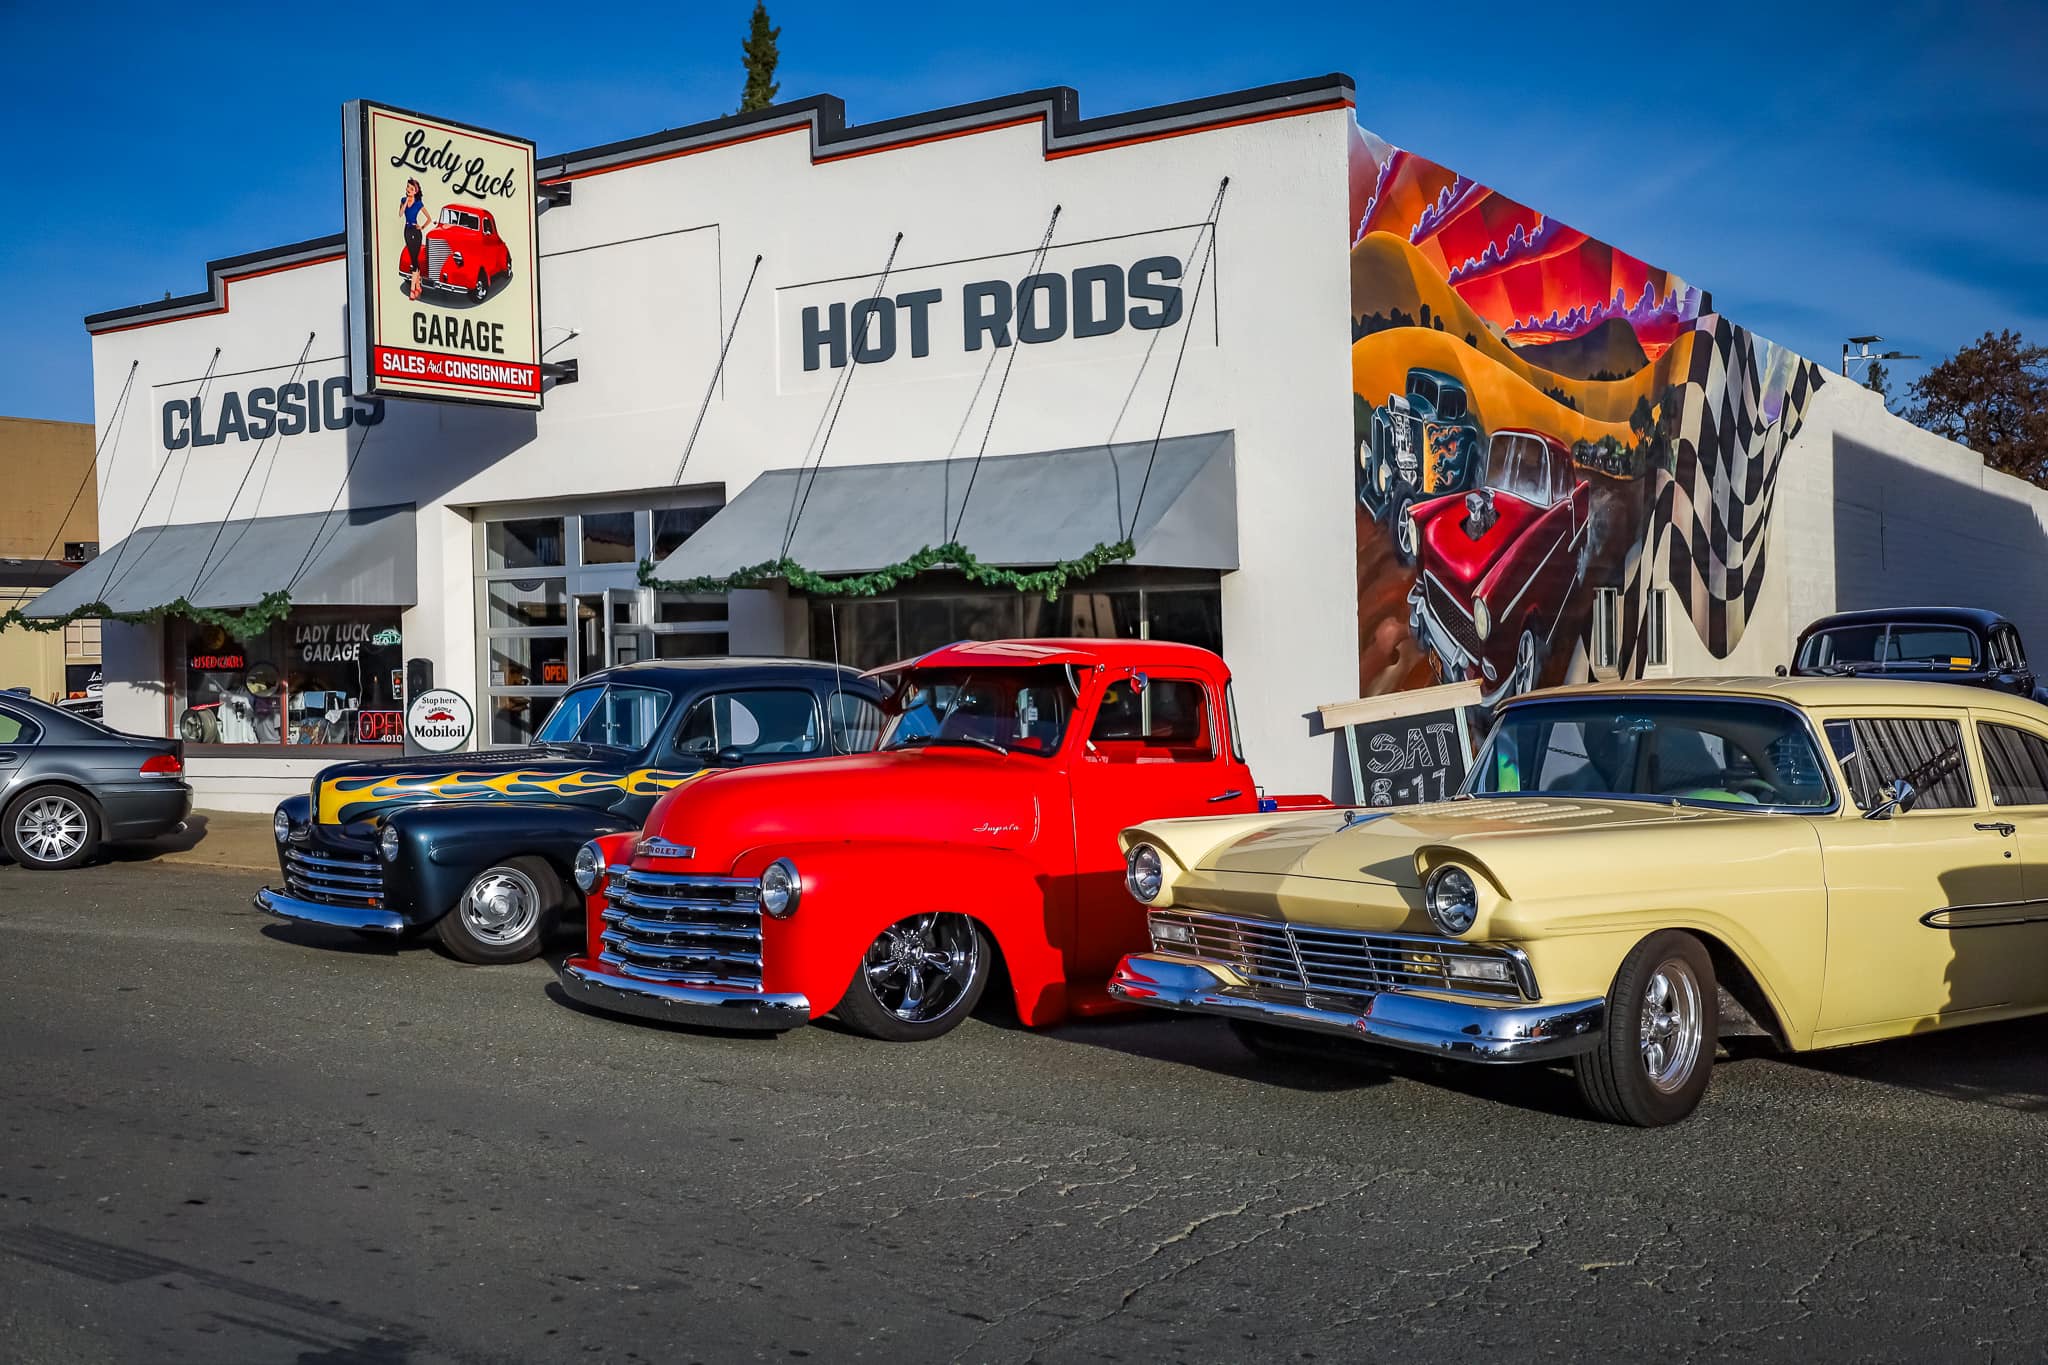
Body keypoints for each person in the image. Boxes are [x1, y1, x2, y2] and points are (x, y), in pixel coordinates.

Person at [400, 179, 432, 301]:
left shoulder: (419, 203)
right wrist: (405, 202)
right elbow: (400, 214)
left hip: (416, 231)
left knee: (414, 261)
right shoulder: (403, 200)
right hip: (407, 230)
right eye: (408, 187)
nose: (409, 190)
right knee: (414, 259)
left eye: (412, 189)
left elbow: (429, 218)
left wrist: (422, 226)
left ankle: (413, 289)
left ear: (416, 191)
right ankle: (418, 285)